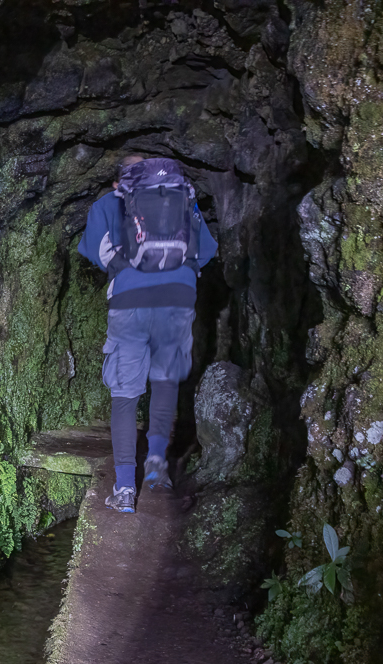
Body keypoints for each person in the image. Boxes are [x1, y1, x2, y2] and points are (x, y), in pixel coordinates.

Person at [78, 155, 218, 513]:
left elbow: (93, 252)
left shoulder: (107, 204)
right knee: (165, 382)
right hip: (177, 299)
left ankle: (125, 489)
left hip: (131, 302)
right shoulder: (181, 200)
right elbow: (206, 252)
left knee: (125, 394)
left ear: (118, 184)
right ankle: (157, 471)